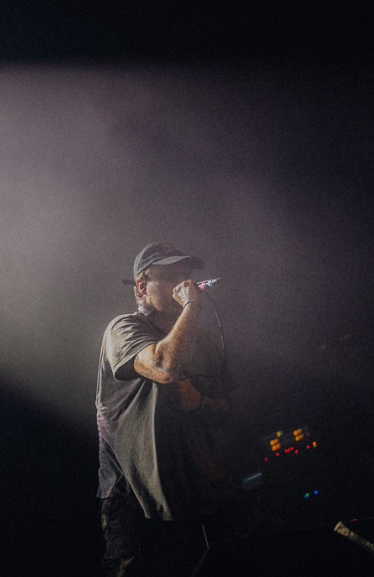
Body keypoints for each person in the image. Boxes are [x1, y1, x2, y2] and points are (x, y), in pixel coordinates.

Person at [95, 242, 235, 577]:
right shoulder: (123, 329)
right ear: (142, 287)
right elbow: (164, 364)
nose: (184, 284)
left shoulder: (201, 342)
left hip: (198, 496)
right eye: (171, 276)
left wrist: (199, 402)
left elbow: (226, 411)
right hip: (136, 504)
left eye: (186, 275)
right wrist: (192, 308)